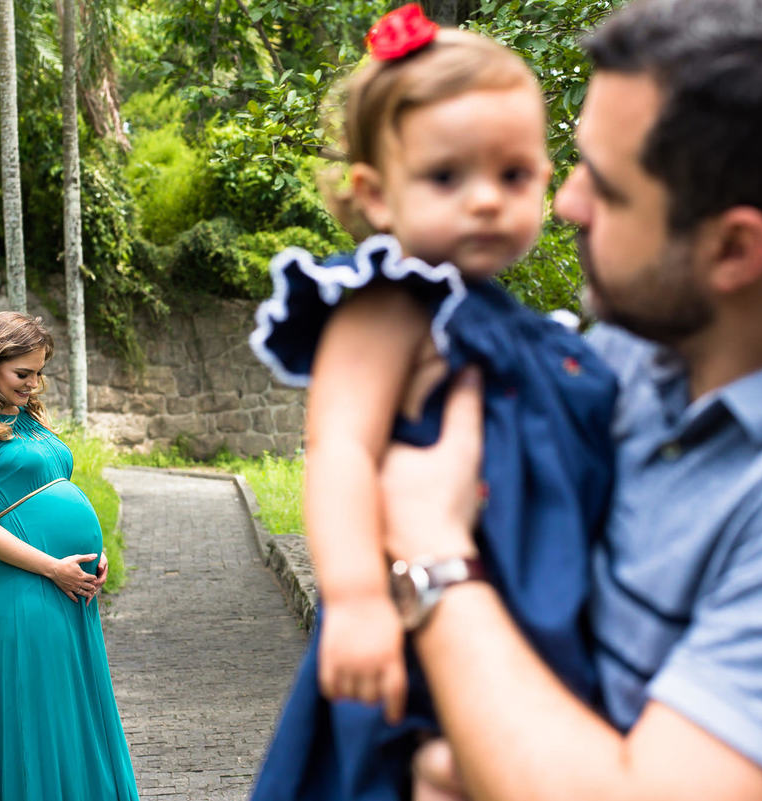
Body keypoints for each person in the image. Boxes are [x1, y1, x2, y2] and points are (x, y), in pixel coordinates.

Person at [376, 1, 762, 800]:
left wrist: (431, 559)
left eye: (605, 187)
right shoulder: (635, 352)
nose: (566, 203)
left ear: (735, 249)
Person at [247, 5, 617, 799]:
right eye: (448, 177)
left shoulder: (532, 335)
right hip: (408, 634)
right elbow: (339, 444)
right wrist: (350, 599)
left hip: (518, 622)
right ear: (377, 197)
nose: (485, 199)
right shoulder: (391, 302)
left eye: (512, 175)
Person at [0, 311, 138, 800]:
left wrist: (90, 557)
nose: (32, 384)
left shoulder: (28, 420)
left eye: (38, 372)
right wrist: (54, 566)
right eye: (21, 374)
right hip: (28, 591)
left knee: (78, 709)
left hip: (73, 589)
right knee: (44, 717)